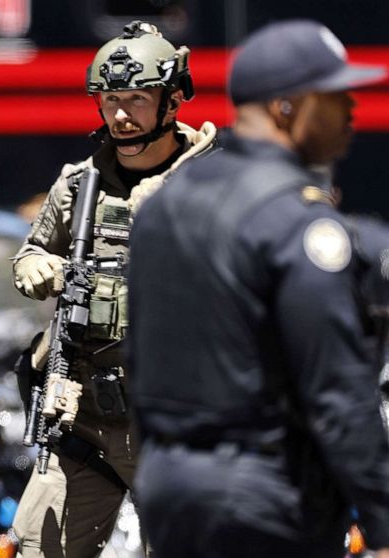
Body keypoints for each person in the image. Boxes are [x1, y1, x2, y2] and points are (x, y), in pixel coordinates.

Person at [128, 19, 389, 558]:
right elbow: (338, 393)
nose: (352, 111)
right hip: (264, 501)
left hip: (167, 492)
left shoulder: (163, 208)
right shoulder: (295, 222)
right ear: (286, 108)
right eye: (336, 97)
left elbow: (141, 363)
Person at [10, 21, 216, 558]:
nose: (121, 115)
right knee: (34, 548)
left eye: (137, 100)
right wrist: (35, 267)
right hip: (84, 424)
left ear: (172, 102)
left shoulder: (213, 184)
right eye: (110, 100)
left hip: (179, 424)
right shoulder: (78, 186)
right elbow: (33, 249)